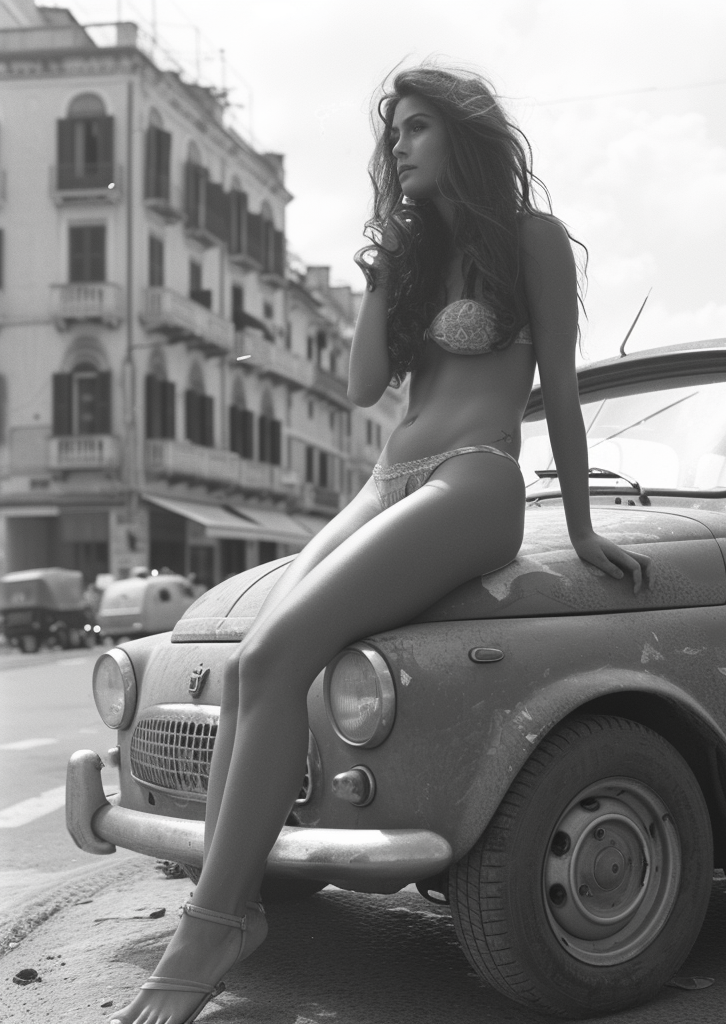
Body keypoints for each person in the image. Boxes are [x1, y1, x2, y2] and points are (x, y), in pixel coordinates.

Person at [110, 63, 651, 1024]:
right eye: (392, 133)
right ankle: (234, 902)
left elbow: (560, 391)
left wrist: (577, 528)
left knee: (279, 655)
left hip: (475, 478)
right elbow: (364, 388)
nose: (398, 146)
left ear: (464, 136)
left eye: (416, 129)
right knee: (248, 668)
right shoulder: (414, 251)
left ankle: (214, 921)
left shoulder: (531, 240)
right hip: (386, 479)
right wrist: (380, 277)